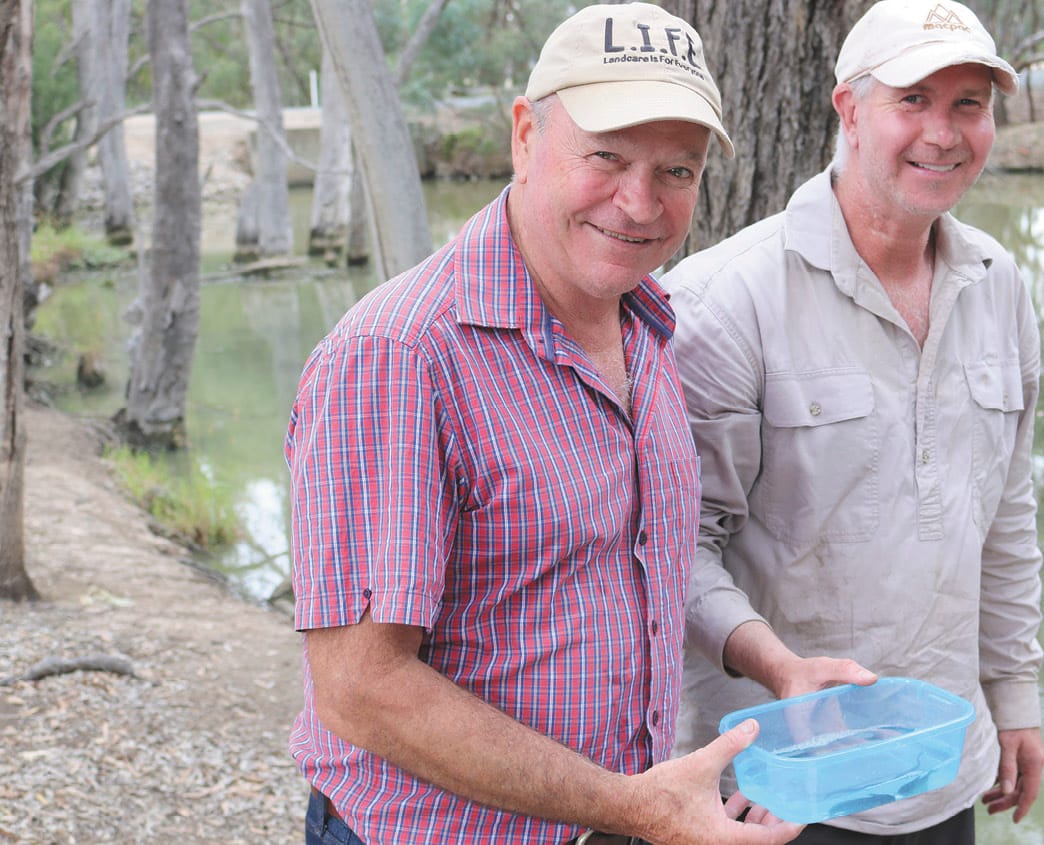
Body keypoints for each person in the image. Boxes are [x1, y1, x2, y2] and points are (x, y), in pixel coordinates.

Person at [283, 5, 802, 845]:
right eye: (607, 157)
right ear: (525, 135)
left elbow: (639, 567)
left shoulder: (644, 321)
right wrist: (631, 805)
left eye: (676, 170)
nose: (639, 202)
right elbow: (360, 687)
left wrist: (776, 664)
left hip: (610, 818)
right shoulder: (400, 355)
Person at [663, 0, 1044, 841]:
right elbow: (672, 549)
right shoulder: (725, 300)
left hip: (937, 767)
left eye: (969, 104)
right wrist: (777, 670)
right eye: (913, 100)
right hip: (772, 782)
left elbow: (1005, 514)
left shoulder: (1000, 284)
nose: (942, 133)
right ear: (849, 108)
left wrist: (1013, 693)